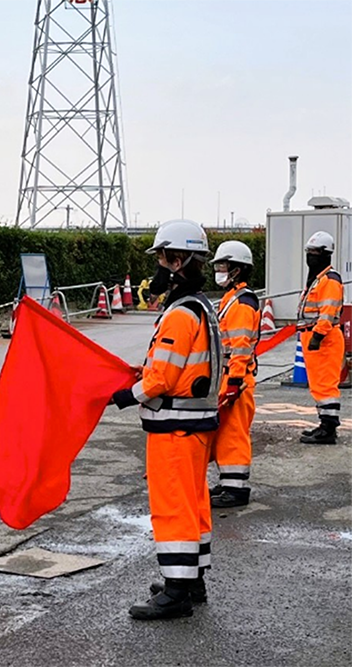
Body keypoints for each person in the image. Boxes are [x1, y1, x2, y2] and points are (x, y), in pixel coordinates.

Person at [110, 219, 222, 621]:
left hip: (175, 427)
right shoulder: (202, 307)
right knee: (194, 504)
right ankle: (192, 581)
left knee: (174, 506)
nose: (157, 265)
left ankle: (176, 592)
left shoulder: (179, 314)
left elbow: (164, 378)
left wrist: (126, 395)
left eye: (161, 257)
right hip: (196, 425)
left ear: (178, 259)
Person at [208, 241, 260, 508]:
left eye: (223, 266)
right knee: (225, 433)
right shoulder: (233, 299)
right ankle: (229, 481)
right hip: (229, 377)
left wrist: (235, 381)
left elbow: (240, 346)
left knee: (234, 434)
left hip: (235, 379)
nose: (218, 270)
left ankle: (236, 489)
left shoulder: (241, 303)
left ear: (237, 269)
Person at [297, 231, 344, 445]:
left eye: (314, 252)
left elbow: (328, 311)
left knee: (326, 385)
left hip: (324, 338)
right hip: (314, 337)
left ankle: (328, 429)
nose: (310, 256)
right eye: (309, 252)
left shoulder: (329, 280)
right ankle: (324, 423)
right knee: (318, 385)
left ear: (326, 254)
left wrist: (317, 335)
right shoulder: (318, 279)